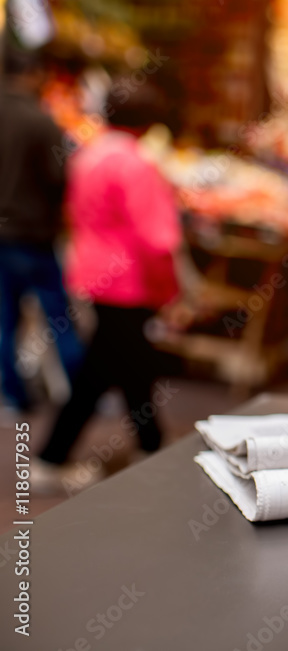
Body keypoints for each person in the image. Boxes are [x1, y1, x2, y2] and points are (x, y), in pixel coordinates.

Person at [33, 78, 181, 493]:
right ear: (150, 121)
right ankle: (51, 456)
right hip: (130, 280)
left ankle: (150, 444)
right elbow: (158, 239)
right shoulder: (137, 164)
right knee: (105, 367)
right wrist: (172, 289)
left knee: (126, 362)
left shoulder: (89, 153)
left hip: (94, 272)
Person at [0, 48, 84, 412]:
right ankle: (82, 395)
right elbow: (59, 179)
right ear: (32, 73)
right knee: (59, 317)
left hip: (5, 235)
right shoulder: (40, 122)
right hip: (33, 235)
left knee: (5, 321)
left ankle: (14, 396)